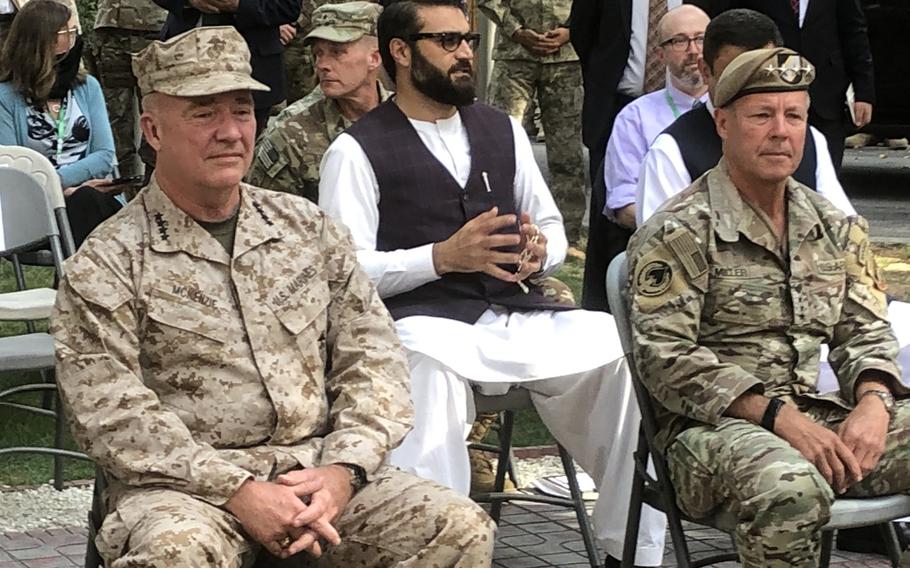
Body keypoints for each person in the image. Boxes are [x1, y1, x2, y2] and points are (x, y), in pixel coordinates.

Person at [51, 25, 495, 567]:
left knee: (454, 526)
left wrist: (344, 470)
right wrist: (237, 490)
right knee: (174, 555)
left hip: (317, 470)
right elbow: (109, 414)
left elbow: (374, 358)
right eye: (203, 113)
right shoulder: (108, 262)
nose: (230, 132)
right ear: (153, 130)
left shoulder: (305, 229)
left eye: (242, 111)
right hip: (185, 492)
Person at [317, 1, 667, 565]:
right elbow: (346, 272)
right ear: (400, 53)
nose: (465, 54)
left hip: (513, 313)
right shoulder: (355, 151)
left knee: (609, 343)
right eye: (448, 41)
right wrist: (440, 257)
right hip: (423, 324)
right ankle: (441, 546)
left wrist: (537, 253)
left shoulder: (500, 128)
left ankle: (630, 551)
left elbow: (552, 228)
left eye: (469, 41)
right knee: (424, 369)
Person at [627, 47, 910, 567]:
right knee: (791, 487)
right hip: (707, 434)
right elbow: (665, 359)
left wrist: (873, 403)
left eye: (794, 116)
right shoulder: (679, 231)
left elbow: (867, 330)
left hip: (816, 411)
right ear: (723, 123)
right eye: (762, 115)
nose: (781, 131)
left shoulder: (834, 227)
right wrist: (777, 417)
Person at [635, 8, 853, 225]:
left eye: (764, 72)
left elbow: (843, 233)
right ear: (705, 70)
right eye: (735, 74)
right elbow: (661, 246)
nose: (751, 85)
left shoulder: (809, 140)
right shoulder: (672, 152)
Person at [0, 0, 125, 248]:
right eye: (67, 32)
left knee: (87, 202)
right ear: (42, 42)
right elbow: (11, 169)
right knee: (87, 205)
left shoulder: (87, 87)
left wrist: (68, 187)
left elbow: (104, 154)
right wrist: (59, 189)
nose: (75, 37)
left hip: (93, 195)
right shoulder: (6, 98)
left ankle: (72, 282)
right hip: (36, 208)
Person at [247, 1, 389, 202]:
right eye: (318, 54)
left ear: (374, 58)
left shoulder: (407, 118)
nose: (322, 65)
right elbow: (265, 218)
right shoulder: (290, 133)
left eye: (337, 52)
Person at [478, 0, 586, 244]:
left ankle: (568, 234)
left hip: (565, 58)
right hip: (514, 57)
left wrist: (572, 31)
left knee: (567, 154)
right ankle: (498, 227)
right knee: (499, 146)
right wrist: (515, 29)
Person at [725, 0, 875, 172]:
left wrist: (864, 93)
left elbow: (854, 34)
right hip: (773, 89)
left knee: (825, 172)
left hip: (826, 95)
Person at [602, 5, 709, 233]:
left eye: (701, 38)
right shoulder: (635, 118)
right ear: (661, 54)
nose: (693, 50)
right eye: (679, 41)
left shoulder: (737, 110)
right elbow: (623, 202)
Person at [153, 0, 300, 130]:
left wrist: (239, 5)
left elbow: (288, 6)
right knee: (167, 149)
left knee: (236, 148)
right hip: (182, 62)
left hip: (251, 67)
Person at [92, 0, 167, 187]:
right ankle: (122, 189)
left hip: (155, 27)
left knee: (158, 114)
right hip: (111, 27)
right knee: (114, 117)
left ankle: (156, 186)